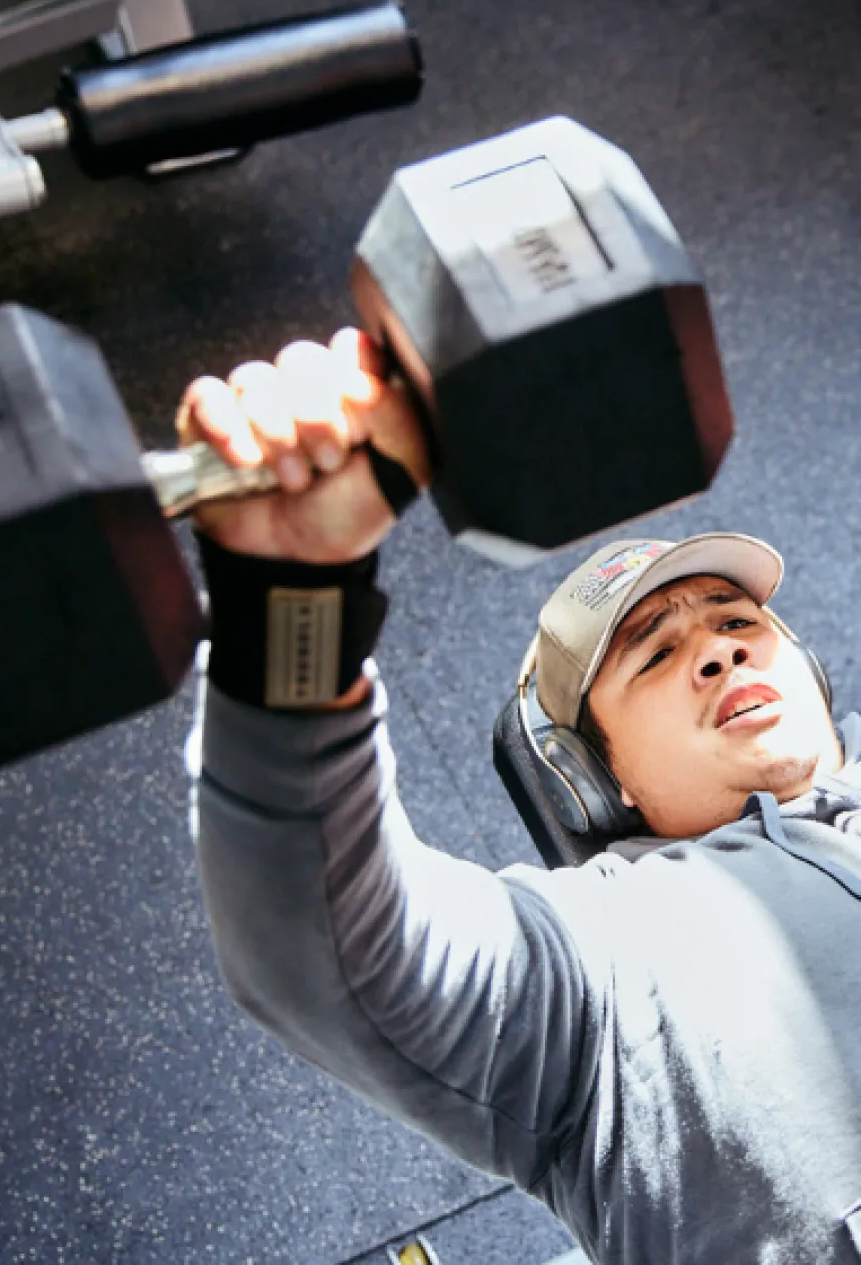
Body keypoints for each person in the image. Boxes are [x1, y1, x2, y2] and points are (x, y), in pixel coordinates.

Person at [180, 330, 861, 1265]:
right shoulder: (606, 964)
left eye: (740, 623)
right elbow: (334, 950)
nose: (720, 649)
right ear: (596, 780)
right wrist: (289, 595)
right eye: (657, 655)